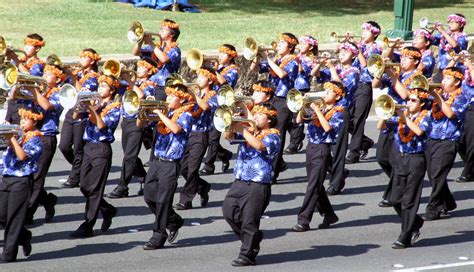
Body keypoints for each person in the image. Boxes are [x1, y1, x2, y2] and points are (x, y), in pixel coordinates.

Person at [222, 103, 280, 267]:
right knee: (228, 212)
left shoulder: (273, 135)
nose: (254, 117)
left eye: (259, 115)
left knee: (249, 221)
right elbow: (228, 137)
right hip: (239, 181)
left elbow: (260, 146)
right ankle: (253, 238)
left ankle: (247, 255)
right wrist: (231, 125)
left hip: (257, 185)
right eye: (254, 114)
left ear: (269, 118)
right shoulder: (250, 132)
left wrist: (243, 130)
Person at [139, 83, 193, 250]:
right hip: (157, 161)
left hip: (171, 164)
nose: (167, 99)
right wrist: (144, 112)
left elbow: (176, 129)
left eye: (171, 97)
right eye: (167, 96)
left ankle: (158, 235)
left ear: (181, 99)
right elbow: (139, 126)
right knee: (149, 196)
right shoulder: (165, 113)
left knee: (163, 200)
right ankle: (173, 220)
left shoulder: (186, 115)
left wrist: (159, 114)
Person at [378, 88, 431, 249]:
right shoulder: (401, 117)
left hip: (416, 160)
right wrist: (386, 112)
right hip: (400, 159)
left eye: (414, 101)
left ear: (421, 103)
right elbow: (381, 126)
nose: (409, 103)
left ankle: (405, 236)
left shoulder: (426, 117)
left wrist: (404, 118)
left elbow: (420, 132)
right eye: (409, 100)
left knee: (409, 201)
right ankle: (415, 222)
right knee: (394, 199)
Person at [69, 75, 121, 238]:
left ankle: (88, 225)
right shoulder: (94, 102)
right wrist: (80, 106)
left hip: (101, 148)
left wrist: (92, 109)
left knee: (95, 189)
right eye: (100, 85)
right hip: (88, 147)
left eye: (104, 86)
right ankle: (107, 209)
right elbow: (75, 117)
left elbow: (102, 125)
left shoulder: (114, 107)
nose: (100, 89)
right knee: (85, 186)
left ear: (112, 90)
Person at [372, 46, 423, 208]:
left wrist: (392, 76)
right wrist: (382, 70)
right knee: (381, 157)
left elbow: (405, 95)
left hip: (404, 120)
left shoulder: (418, 78)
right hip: (389, 116)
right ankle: (399, 183)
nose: (402, 60)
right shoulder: (398, 73)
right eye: (403, 57)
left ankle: (394, 192)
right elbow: (375, 84)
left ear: (415, 61)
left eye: (407, 58)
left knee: (395, 159)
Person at [292, 81, 343, 233]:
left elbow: (327, 128)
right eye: (325, 91)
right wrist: (303, 105)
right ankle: (329, 214)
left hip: (322, 149)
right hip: (311, 147)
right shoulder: (318, 107)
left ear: (337, 96)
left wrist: (317, 110)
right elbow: (298, 121)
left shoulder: (338, 111)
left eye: (329, 92)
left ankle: (303, 220)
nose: (325, 94)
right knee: (316, 185)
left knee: (313, 186)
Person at [250, 32, 298, 184]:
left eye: (282, 43)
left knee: (277, 135)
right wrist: (257, 58)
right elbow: (254, 69)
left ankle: (274, 172)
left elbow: (282, 74)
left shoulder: (293, 61)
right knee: (265, 131)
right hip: (271, 98)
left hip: (283, 101)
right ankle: (278, 163)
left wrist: (268, 59)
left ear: (290, 47)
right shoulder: (276, 59)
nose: (278, 45)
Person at [313, 41, 360, 194]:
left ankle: (336, 183)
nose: (341, 55)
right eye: (340, 52)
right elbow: (315, 74)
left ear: (353, 55)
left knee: (338, 149)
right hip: (327, 108)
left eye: (345, 53)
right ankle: (338, 172)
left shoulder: (354, 71)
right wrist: (320, 64)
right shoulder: (337, 68)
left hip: (341, 111)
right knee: (323, 147)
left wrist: (331, 67)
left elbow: (340, 87)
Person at [107, 58, 158, 198]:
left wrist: (130, 81)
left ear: (149, 71)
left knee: (129, 156)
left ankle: (123, 187)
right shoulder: (129, 85)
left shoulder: (149, 85)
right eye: (139, 67)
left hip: (138, 122)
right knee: (130, 157)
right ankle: (146, 179)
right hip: (126, 122)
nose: (139, 69)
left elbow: (142, 96)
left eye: (143, 68)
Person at [424, 67, 468, 220]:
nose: (443, 81)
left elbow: (451, 113)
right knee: (433, 175)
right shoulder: (439, 96)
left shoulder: (461, 97)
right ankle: (448, 201)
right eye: (443, 78)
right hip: (431, 138)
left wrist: (437, 97)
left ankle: (433, 208)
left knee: (437, 175)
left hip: (449, 141)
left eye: (448, 79)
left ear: (456, 82)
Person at [0, 108, 43, 262]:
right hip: (6, 178)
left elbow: (22, 156)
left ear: (35, 121)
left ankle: (8, 254)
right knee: (2, 215)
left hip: (21, 181)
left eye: (26, 119)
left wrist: (11, 140)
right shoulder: (16, 135)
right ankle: (24, 235)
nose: (22, 122)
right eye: (21, 119)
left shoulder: (35, 138)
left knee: (14, 217)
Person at [25, 64, 66, 224]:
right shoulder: (41, 91)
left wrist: (34, 91)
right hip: (30, 135)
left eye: (49, 74)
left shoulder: (61, 93)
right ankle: (47, 200)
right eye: (45, 73)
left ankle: (28, 213)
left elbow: (47, 106)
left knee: (37, 177)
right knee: (28, 175)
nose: (45, 76)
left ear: (58, 79)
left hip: (46, 137)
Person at [175, 67, 218, 210]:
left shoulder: (214, 95)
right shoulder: (194, 94)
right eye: (197, 76)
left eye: (202, 76)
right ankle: (202, 186)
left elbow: (205, 107)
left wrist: (193, 94)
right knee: (182, 168)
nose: (197, 79)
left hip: (201, 135)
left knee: (193, 169)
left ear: (210, 80)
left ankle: (185, 200)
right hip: (187, 134)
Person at [60, 48, 101, 188]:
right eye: (81, 57)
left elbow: (83, 93)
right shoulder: (78, 73)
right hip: (71, 112)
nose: (81, 60)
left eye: (85, 57)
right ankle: (81, 168)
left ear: (92, 60)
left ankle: (74, 177)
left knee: (78, 148)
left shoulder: (94, 77)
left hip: (83, 114)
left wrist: (72, 76)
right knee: (64, 146)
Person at [346, 21, 382, 163]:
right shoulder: (359, 46)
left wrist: (357, 50)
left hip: (364, 86)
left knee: (358, 120)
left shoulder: (376, 48)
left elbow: (365, 65)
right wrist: (347, 44)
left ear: (374, 34)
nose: (363, 34)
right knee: (346, 118)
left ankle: (354, 152)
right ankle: (364, 141)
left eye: (367, 31)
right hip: (351, 85)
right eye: (363, 31)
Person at [200, 44, 239, 175]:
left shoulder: (233, 70)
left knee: (213, 138)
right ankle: (224, 154)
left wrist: (214, 70)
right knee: (208, 135)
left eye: (224, 54)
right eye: (220, 53)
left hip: (222, 106)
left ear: (231, 56)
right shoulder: (221, 67)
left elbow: (225, 83)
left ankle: (209, 166)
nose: (220, 56)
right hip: (211, 102)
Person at [285, 35, 318, 154]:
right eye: (301, 43)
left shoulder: (311, 59)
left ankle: (294, 142)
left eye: (304, 44)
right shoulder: (296, 56)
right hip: (292, 88)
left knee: (297, 118)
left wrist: (298, 62)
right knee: (287, 117)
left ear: (310, 47)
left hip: (302, 89)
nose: (301, 46)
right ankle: (298, 137)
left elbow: (303, 72)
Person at [5, 33, 45, 126]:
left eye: (29, 45)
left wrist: (15, 59)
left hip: (26, 105)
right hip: (13, 101)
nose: (25, 47)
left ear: (37, 48)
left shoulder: (38, 64)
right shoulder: (21, 61)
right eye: (25, 44)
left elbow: (29, 77)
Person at [432, 13, 468, 82]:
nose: (450, 24)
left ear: (461, 25)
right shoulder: (444, 35)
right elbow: (428, 41)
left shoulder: (463, 37)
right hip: (441, 70)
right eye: (449, 22)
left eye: (453, 22)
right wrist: (432, 30)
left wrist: (442, 31)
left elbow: (455, 46)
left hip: (454, 70)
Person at [456, 54, 474, 183]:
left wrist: (471, 67)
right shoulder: (466, 71)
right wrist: (453, 60)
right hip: (464, 108)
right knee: (460, 142)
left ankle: (468, 172)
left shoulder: (471, 71)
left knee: (471, 143)